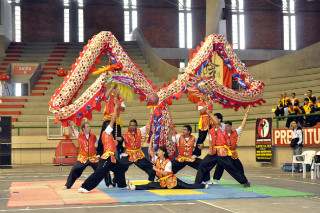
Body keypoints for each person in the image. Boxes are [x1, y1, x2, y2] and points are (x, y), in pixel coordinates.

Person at [78, 104, 126, 193]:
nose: (111, 126)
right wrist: (115, 109)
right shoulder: (106, 132)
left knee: (121, 168)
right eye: (110, 126)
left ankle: (122, 185)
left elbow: (111, 144)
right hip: (107, 157)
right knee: (99, 173)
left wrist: (115, 142)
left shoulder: (110, 136)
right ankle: (85, 186)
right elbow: (112, 121)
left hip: (112, 158)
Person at [194, 112, 250, 187]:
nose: (212, 119)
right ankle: (197, 183)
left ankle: (245, 182)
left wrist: (209, 113)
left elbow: (217, 122)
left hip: (222, 152)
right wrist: (204, 146)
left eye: (214, 118)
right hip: (213, 153)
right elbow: (211, 142)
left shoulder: (223, 127)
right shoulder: (211, 130)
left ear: (219, 120)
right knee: (203, 165)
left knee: (231, 168)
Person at [127, 147, 207, 190]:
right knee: (150, 185)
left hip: (172, 181)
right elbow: (150, 151)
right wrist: (152, 139)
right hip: (163, 182)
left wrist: (156, 169)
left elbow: (166, 173)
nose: (157, 152)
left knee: (188, 186)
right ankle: (134, 187)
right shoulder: (157, 159)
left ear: (163, 153)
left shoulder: (168, 162)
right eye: (157, 151)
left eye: (159, 151)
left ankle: (202, 186)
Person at [97, 84, 126, 187]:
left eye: (117, 89)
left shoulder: (120, 99)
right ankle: (99, 151)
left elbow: (123, 109)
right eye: (115, 89)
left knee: (118, 140)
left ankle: (119, 150)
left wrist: (118, 105)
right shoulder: (110, 96)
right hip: (107, 121)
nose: (116, 91)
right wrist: (111, 88)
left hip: (116, 123)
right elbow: (105, 97)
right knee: (104, 138)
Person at [212, 109, 250, 184]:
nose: (227, 128)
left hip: (233, 154)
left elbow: (243, 125)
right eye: (225, 126)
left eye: (228, 126)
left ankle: (243, 178)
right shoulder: (222, 132)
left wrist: (245, 117)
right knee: (220, 166)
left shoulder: (236, 132)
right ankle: (215, 179)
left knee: (239, 166)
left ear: (231, 126)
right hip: (224, 153)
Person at [63, 122, 101, 189]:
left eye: (89, 126)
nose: (89, 128)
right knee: (74, 170)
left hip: (93, 158)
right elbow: (71, 130)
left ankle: (109, 183)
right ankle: (67, 185)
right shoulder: (79, 135)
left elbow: (100, 144)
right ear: (83, 129)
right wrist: (68, 122)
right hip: (83, 158)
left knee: (102, 169)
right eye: (87, 127)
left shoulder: (93, 136)